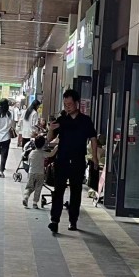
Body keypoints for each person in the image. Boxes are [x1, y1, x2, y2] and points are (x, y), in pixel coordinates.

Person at [47, 89, 98, 233]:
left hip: (78, 161)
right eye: (65, 104)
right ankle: (54, 220)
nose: (67, 107)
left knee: (76, 192)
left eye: (69, 104)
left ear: (77, 103)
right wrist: (50, 129)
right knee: (58, 191)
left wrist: (94, 157)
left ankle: (73, 221)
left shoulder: (85, 121)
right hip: (62, 160)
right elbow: (49, 139)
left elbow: (93, 139)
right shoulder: (62, 119)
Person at [0, 99, 15, 178]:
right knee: (4, 154)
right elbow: (11, 124)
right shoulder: (10, 114)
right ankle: (1, 171)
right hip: (6, 137)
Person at [22, 135, 47, 209]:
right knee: (38, 188)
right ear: (43, 144)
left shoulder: (31, 153)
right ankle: (35, 203)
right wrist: (56, 148)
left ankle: (26, 197)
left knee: (29, 187)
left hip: (31, 172)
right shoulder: (43, 153)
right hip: (40, 173)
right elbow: (50, 154)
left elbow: (29, 161)